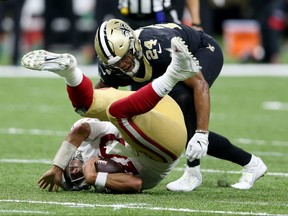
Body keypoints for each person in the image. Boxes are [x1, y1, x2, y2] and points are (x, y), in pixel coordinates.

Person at [93, 19, 268, 191]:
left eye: (125, 57)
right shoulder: (112, 67)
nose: (122, 65)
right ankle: (251, 163)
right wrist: (90, 122)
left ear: (133, 45)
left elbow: (199, 84)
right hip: (162, 69)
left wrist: (202, 133)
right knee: (164, 123)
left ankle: (193, 171)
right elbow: (101, 95)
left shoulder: (158, 46)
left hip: (202, 50)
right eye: (116, 63)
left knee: (185, 106)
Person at [21, 36, 201, 192]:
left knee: (87, 106)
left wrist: (57, 167)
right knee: (117, 113)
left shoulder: (83, 147)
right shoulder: (99, 180)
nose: (75, 172)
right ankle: (174, 73)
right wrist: (94, 178)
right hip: (164, 149)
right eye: (74, 180)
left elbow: (81, 129)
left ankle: (71, 72)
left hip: (162, 107)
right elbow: (135, 183)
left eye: (69, 172)